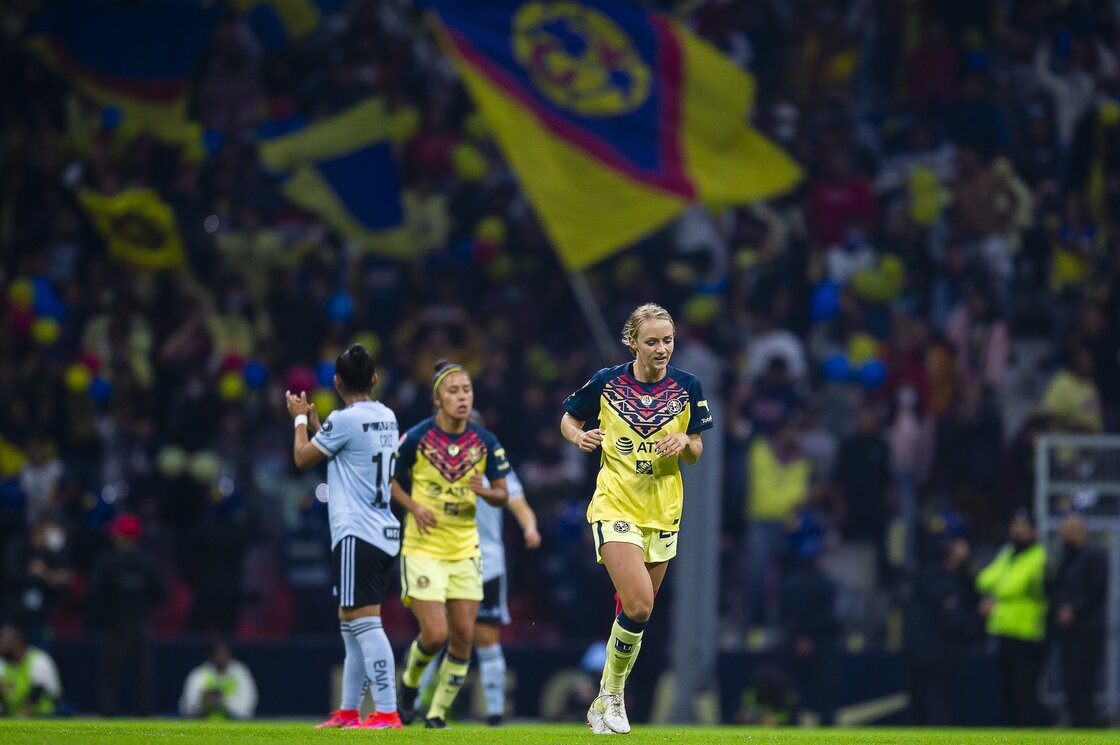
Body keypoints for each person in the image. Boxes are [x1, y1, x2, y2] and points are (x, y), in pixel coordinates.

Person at [560, 303, 713, 735]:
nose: (662, 348)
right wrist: (580, 436)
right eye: (652, 341)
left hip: (663, 511)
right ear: (632, 342)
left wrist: (684, 439)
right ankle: (612, 696)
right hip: (615, 504)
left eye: (667, 340)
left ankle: (606, 694)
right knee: (640, 603)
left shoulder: (688, 386)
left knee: (637, 612)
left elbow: (698, 450)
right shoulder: (607, 382)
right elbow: (569, 417)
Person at [286, 343, 404, 730]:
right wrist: (323, 427)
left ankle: (386, 711)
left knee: (365, 622)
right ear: (374, 379)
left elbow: (303, 459)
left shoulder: (344, 419)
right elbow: (351, 454)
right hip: (383, 530)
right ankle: (349, 711)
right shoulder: (386, 416)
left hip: (358, 532)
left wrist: (300, 421)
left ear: (337, 382)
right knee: (349, 621)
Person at [392, 360, 511, 729]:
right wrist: (413, 506)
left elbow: (504, 495)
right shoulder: (416, 438)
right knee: (436, 633)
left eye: (466, 391)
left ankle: (437, 713)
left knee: (462, 635)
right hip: (424, 547)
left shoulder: (486, 443)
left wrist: (486, 492)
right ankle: (409, 685)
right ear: (437, 399)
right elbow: (391, 481)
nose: (462, 398)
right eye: (453, 392)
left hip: (465, 551)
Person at [417, 448, 540, 726]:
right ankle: (413, 703)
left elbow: (518, 504)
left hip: (486, 563)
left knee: (485, 637)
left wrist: (530, 527)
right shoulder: (436, 462)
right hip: (445, 559)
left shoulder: (495, 467)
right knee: (437, 633)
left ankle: (495, 712)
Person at [86, 513, 167, 717]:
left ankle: (108, 717)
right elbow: (162, 594)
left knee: (109, 676)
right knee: (142, 677)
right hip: (141, 625)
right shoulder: (147, 562)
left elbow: (94, 593)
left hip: (116, 626)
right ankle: (144, 719)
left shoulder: (107, 562)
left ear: (124, 536)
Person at [976, 509, 1048, 727]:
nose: (1017, 530)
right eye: (1015, 525)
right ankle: (1012, 732)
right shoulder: (1008, 552)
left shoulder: (1039, 555)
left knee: (1023, 689)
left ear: (1033, 531)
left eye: (1023, 526)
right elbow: (983, 579)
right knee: (1006, 688)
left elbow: (1011, 585)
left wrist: (997, 591)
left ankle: (1029, 732)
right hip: (1004, 629)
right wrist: (998, 587)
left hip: (1027, 632)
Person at [1050, 511, 1107, 727]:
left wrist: (1074, 609)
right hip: (1068, 630)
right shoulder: (1064, 556)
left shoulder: (1094, 555)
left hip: (1088, 628)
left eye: (1068, 528)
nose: (1063, 533)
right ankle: (1075, 722)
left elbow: (1097, 590)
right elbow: (1056, 588)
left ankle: (1086, 724)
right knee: (1069, 680)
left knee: (1084, 680)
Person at [178, 641, 258, 720]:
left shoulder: (241, 673)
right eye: (217, 653)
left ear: (230, 655)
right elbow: (186, 708)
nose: (221, 657)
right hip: (204, 727)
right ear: (211, 656)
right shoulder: (199, 674)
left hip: (234, 727)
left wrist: (223, 702)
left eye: (224, 653)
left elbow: (247, 710)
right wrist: (202, 701)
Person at [0, 624, 61, 717]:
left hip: (44, 716)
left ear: (16, 642)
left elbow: (39, 691)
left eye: (4, 640)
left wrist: (22, 715)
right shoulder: (3, 664)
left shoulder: (39, 659)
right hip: (12, 716)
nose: (1, 644)